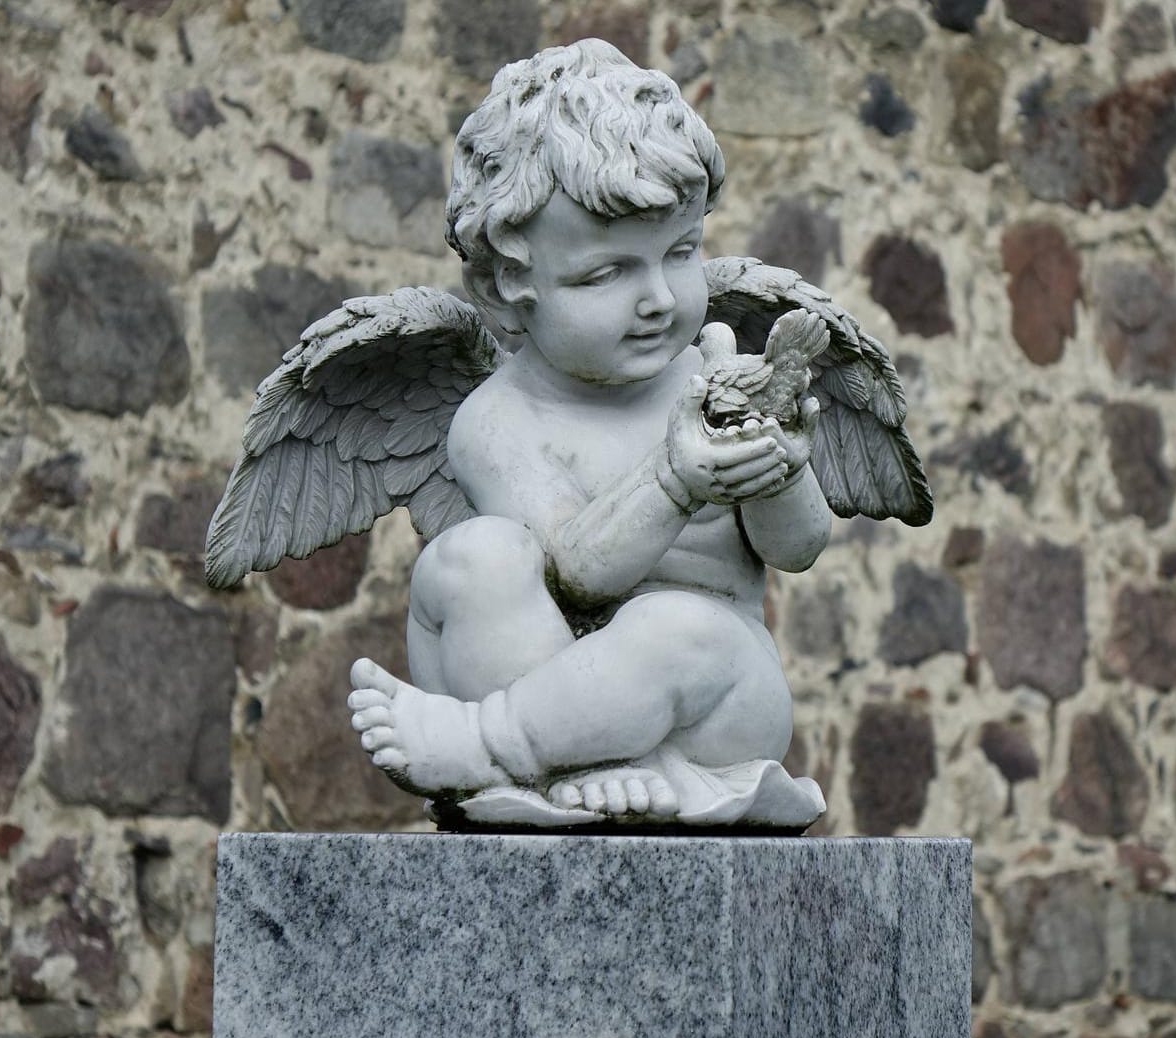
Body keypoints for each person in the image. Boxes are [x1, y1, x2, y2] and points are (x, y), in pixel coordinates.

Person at [345, 39, 833, 823]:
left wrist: (781, 468)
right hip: (550, 673)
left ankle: (486, 743)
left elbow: (798, 547)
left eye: (679, 254)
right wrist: (674, 482)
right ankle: (579, 763)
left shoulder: (713, 372)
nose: (658, 299)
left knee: (671, 623)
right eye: (608, 273)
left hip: (715, 702)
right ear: (512, 279)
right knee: (469, 561)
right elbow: (575, 574)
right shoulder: (500, 422)